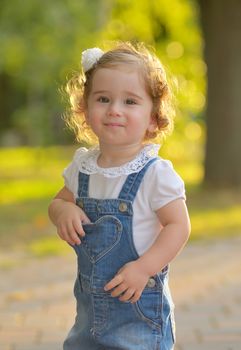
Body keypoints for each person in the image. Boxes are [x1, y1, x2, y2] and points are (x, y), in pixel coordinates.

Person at [48, 42, 191, 350]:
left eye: (130, 101)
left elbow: (178, 226)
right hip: (88, 317)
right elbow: (58, 202)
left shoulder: (155, 173)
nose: (114, 109)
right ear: (85, 110)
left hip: (137, 316)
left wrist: (144, 268)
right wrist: (63, 212)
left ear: (153, 117)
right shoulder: (82, 168)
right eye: (103, 99)